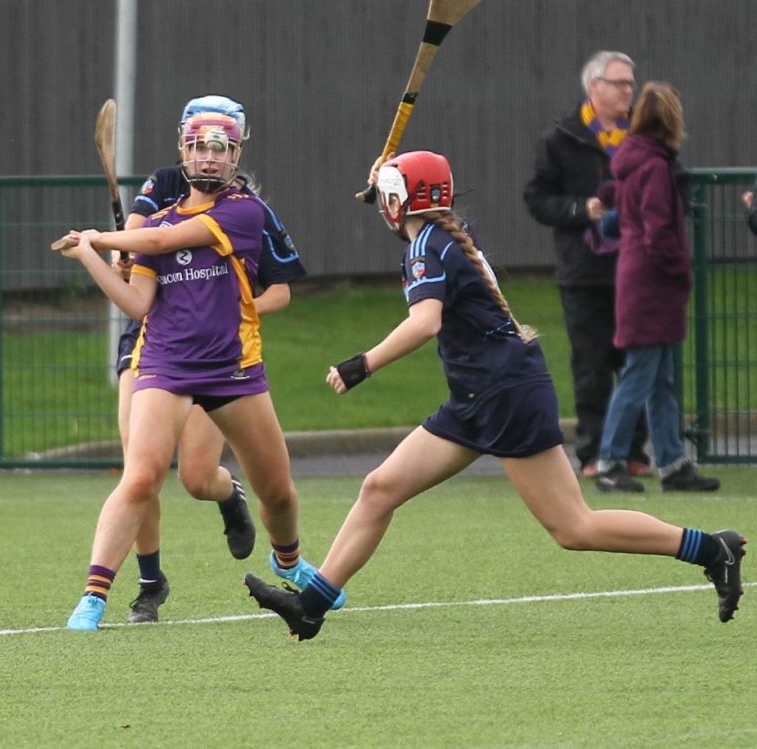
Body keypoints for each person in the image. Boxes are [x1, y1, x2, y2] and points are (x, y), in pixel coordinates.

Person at [245, 150, 746, 640]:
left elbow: (425, 322)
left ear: (400, 201)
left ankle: (710, 549)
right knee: (380, 487)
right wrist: (387, 181)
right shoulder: (445, 236)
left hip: (504, 395)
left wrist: (363, 364)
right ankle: (310, 608)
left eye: (388, 197)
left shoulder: (427, 246)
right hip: (477, 397)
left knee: (574, 528)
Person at [55, 104, 318, 631]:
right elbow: (136, 305)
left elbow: (155, 243)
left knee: (279, 491)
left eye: (220, 149)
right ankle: (94, 596)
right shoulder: (157, 219)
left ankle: (289, 562)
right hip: (166, 366)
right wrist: (90, 255)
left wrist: (103, 238)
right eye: (199, 147)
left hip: (233, 368)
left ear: (236, 156)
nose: (209, 158)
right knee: (142, 475)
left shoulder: (244, 212)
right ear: (183, 152)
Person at [525, 51, 652, 482]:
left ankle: (635, 452)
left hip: (637, 268)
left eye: (631, 83)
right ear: (594, 87)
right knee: (592, 365)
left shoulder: (645, 133)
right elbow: (537, 199)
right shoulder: (561, 137)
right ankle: (594, 453)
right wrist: (583, 209)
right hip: (584, 274)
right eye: (620, 83)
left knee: (635, 363)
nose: (628, 91)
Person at [593, 83, 719, 492]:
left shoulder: (633, 162)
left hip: (638, 280)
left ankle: (671, 460)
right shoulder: (657, 168)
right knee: (640, 375)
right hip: (653, 284)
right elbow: (659, 230)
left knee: (659, 377)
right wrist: (682, 270)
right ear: (670, 121)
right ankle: (610, 461)